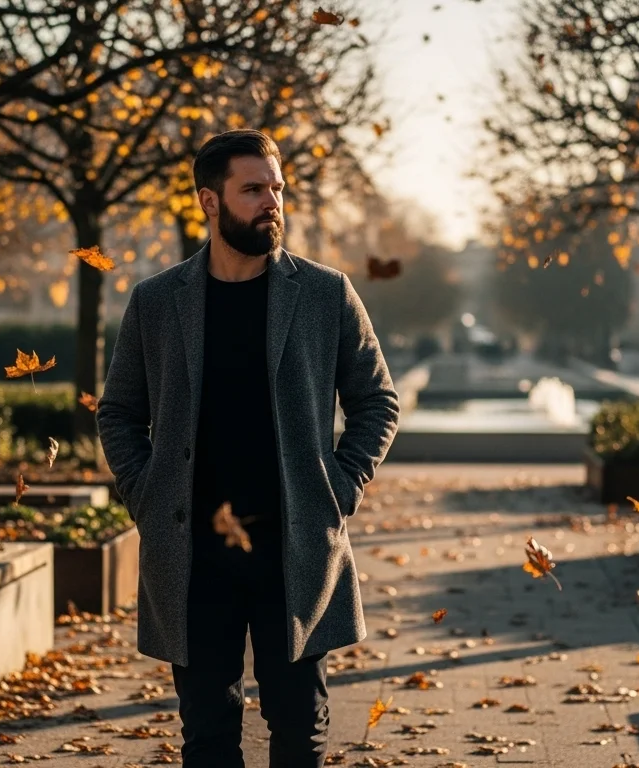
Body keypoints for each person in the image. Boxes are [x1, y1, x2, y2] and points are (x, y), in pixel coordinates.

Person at [95, 128, 400, 766]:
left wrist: (338, 488)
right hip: (193, 553)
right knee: (207, 739)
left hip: (294, 549)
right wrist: (146, 492)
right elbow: (119, 412)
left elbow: (377, 402)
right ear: (210, 201)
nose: (272, 203)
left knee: (300, 731)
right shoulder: (156, 301)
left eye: (278, 189)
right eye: (254, 189)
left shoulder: (325, 293)